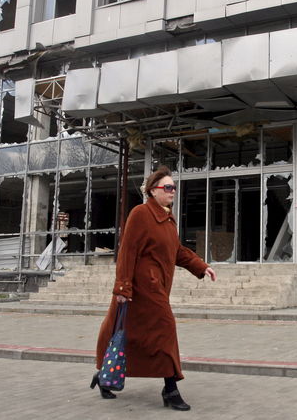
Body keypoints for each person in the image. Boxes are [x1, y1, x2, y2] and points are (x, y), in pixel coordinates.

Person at [92, 166, 217, 411]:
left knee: (134, 337)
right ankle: (170, 389)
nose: (173, 191)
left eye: (174, 187)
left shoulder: (168, 218)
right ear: (153, 191)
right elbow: (128, 251)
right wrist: (122, 288)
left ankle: (104, 377)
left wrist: (201, 267)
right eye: (167, 187)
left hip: (157, 287)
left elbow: (178, 251)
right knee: (166, 330)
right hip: (141, 288)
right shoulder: (140, 213)